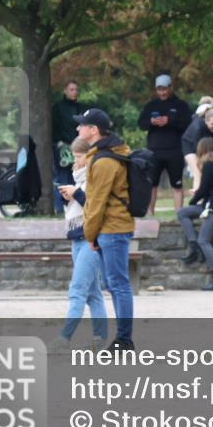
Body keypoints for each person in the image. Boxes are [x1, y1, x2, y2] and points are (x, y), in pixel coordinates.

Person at [77, 107, 136, 352]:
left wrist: (90, 235)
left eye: (82, 125)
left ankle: (124, 339)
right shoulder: (103, 155)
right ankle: (123, 338)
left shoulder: (104, 161)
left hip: (112, 228)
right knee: (113, 284)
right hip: (109, 228)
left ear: (94, 130)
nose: (78, 128)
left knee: (118, 284)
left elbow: (96, 201)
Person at [51, 136, 108, 352]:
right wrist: (69, 196)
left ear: (89, 156)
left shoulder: (95, 177)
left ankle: (64, 337)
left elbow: (94, 206)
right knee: (93, 293)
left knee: (77, 289)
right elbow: (76, 206)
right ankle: (99, 339)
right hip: (77, 238)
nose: (75, 161)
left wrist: (78, 193)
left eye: (78, 156)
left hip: (91, 239)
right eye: (74, 156)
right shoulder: (79, 178)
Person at [177, 137, 213, 291]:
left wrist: (193, 199)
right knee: (182, 213)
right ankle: (193, 245)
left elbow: (204, 189)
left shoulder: (210, 164)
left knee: (204, 240)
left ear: (201, 149)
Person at [138, 74, 191, 214]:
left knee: (177, 185)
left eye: (165, 89)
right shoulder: (151, 105)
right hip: (154, 151)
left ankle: (179, 214)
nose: (163, 92)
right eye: (159, 89)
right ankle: (150, 214)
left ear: (171, 87)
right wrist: (152, 122)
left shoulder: (181, 105)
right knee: (152, 184)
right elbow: (141, 124)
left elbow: (188, 125)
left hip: (175, 150)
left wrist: (170, 122)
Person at [52, 81, 85, 214]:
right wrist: (59, 142)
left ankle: (74, 206)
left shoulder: (80, 108)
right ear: (65, 91)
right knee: (62, 177)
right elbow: (54, 126)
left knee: (76, 175)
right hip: (62, 147)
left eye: (76, 90)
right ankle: (60, 207)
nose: (74, 92)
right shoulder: (57, 108)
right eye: (71, 89)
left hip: (78, 146)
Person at [182, 107, 213, 192]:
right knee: (198, 172)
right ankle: (198, 199)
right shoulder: (198, 128)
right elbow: (199, 151)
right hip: (190, 145)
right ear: (206, 121)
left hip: (207, 145)